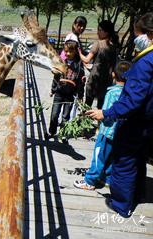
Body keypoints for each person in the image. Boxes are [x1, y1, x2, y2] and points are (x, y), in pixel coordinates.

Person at [85, 12, 153, 218]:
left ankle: (121, 204)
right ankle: (137, 194)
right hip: (149, 122)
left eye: (137, 33)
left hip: (136, 121)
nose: (135, 37)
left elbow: (133, 99)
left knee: (123, 161)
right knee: (138, 160)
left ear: (149, 34)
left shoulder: (145, 63)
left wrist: (106, 113)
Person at [74, 61, 132, 190]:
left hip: (106, 132)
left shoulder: (112, 93)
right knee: (111, 158)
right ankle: (107, 179)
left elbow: (105, 114)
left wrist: (96, 118)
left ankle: (90, 181)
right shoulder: (129, 94)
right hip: (119, 133)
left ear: (113, 75)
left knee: (98, 157)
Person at [46, 40, 85, 142]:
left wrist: (80, 96)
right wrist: (53, 89)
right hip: (59, 93)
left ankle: (63, 134)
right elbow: (56, 77)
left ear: (75, 52)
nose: (67, 53)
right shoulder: (61, 63)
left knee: (65, 116)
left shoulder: (79, 67)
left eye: (70, 51)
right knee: (54, 114)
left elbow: (81, 83)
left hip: (70, 95)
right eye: (66, 51)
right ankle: (52, 132)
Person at [79, 20, 119, 109]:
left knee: (87, 105)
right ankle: (99, 123)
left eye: (100, 30)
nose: (97, 32)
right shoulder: (114, 46)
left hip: (95, 79)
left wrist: (79, 52)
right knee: (101, 107)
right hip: (106, 81)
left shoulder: (98, 44)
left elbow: (86, 60)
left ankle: (84, 122)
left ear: (106, 32)